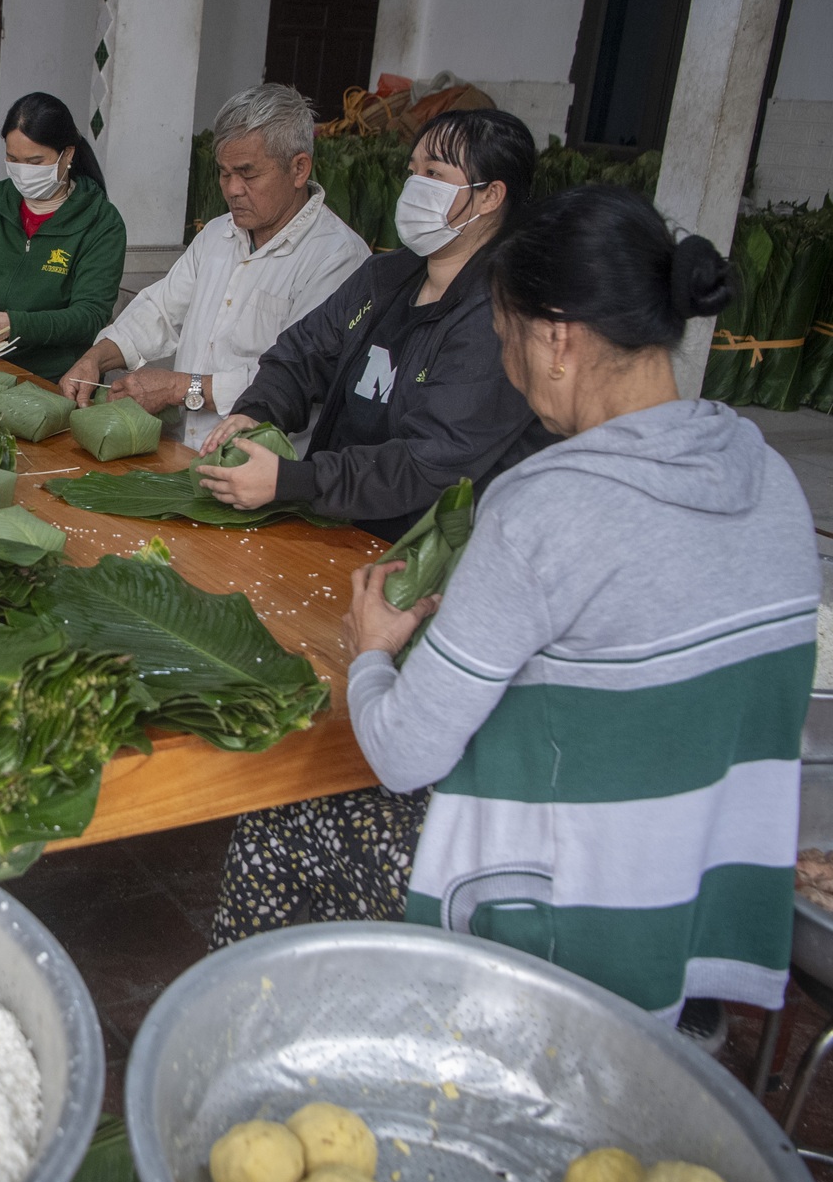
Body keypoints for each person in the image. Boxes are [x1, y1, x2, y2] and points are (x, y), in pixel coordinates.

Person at [211, 185, 820, 1023]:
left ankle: (284, 1055)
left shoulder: (543, 506)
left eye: (504, 338)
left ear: (558, 337)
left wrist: (373, 652)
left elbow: (402, 753)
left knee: (280, 825)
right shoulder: (771, 478)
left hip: (571, 910)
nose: (506, 367)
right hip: (700, 891)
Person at [194, 108, 553, 540]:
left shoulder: (502, 317)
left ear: (491, 196)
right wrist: (256, 412)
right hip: (335, 524)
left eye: (434, 174)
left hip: (416, 553)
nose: (415, 186)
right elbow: (302, 353)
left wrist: (294, 481)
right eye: (413, 170)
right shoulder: (387, 277)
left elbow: (428, 462)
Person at [60, 84, 369, 447]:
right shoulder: (217, 235)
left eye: (248, 174)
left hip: (254, 470)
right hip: (181, 452)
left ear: (299, 168)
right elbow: (160, 310)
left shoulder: (338, 258)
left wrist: (179, 388)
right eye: (224, 173)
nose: (232, 189)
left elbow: (294, 377)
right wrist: (97, 357)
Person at [0, 92, 126, 381]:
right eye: (12, 159)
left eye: (35, 162)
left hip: (56, 376)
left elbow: (89, 317)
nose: (23, 173)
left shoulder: (101, 222)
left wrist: (13, 324)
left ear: (67, 154)